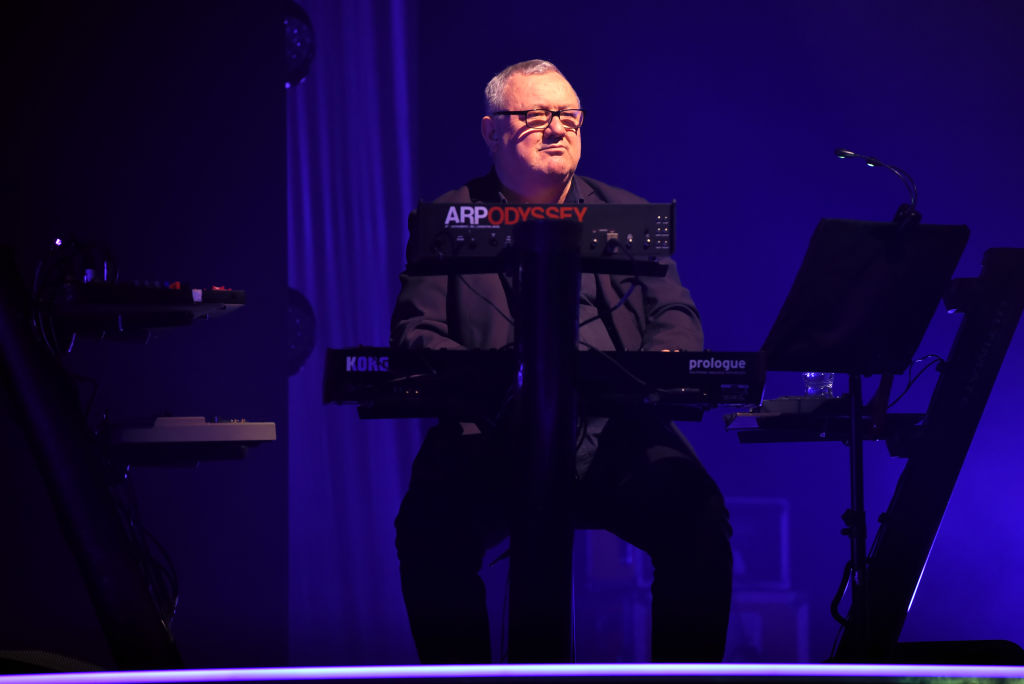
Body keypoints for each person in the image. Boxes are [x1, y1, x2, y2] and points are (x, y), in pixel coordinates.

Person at [391, 59, 732, 663]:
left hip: (615, 433)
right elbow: (417, 331)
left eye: (568, 116)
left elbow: (676, 316)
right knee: (428, 532)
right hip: (490, 434)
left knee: (698, 521)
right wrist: (491, 381)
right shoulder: (445, 217)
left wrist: (656, 370)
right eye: (536, 115)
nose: (557, 129)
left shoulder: (630, 214)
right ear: (492, 131)